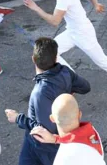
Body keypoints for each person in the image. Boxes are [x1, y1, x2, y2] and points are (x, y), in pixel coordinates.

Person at [5, 37, 91, 165]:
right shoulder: (65, 71)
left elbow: (44, 131)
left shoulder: (40, 93)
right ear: (56, 58)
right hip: (33, 142)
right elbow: (85, 87)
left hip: (43, 148)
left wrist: (17, 118)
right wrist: (67, 90)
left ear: (33, 59)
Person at [31, 94, 106, 165]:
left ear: (52, 118)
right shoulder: (92, 133)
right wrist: (55, 139)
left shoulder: (62, 160)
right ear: (79, 114)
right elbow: (77, 142)